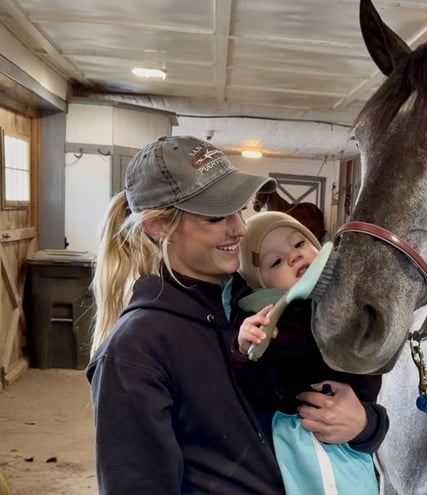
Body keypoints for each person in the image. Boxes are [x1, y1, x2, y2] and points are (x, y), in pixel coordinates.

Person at [85, 135, 375, 494]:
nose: (239, 227)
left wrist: (365, 424)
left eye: (239, 209)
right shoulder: (135, 350)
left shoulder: (257, 306)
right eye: (216, 216)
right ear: (158, 227)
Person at [235, 211, 387, 495]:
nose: (294, 256)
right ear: (260, 282)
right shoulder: (270, 323)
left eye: (299, 244)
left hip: (350, 446)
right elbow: (262, 389)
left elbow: (369, 380)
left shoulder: (347, 301)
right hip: (302, 443)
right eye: (276, 261)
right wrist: (246, 351)